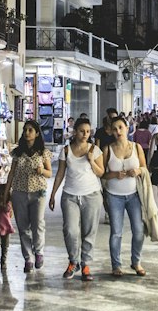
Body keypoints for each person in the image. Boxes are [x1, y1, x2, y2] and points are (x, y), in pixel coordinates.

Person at [50, 119, 103, 281]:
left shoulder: (95, 150)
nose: (85, 134)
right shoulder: (66, 151)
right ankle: (73, 261)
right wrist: (52, 194)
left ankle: (85, 263)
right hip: (70, 195)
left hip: (91, 195)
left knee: (89, 231)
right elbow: (60, 174)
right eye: (81, 131)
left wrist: (91, 160)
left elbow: (101, 172)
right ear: (75, 132)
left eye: (88, 131)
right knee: (70, 230)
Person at [103, 115, 147, 276]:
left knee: (138, 230)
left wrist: (138, 171)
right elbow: (102, 174)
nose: (118, 131)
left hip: (134, 194)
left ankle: (136, 261)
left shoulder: (136, 148)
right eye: (114, 129)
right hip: (114, 196)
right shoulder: (108, 150)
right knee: (116, 232)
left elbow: (144, 168)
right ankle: (116, 265)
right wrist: (114, 175)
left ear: (128, 128)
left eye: (121, 127)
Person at [8, 121, 52, 273]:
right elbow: (11, 173)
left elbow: (49, 173)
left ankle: (39, 252)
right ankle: (28, 258)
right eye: (25, 130)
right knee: (22, 227)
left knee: (38, 223)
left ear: (37, 133)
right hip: (19, 192)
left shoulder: (43, 152)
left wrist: (41, 171)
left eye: (30, 130)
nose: (27, 133)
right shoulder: (17, 152)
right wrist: (7, 193)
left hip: (38, 192)